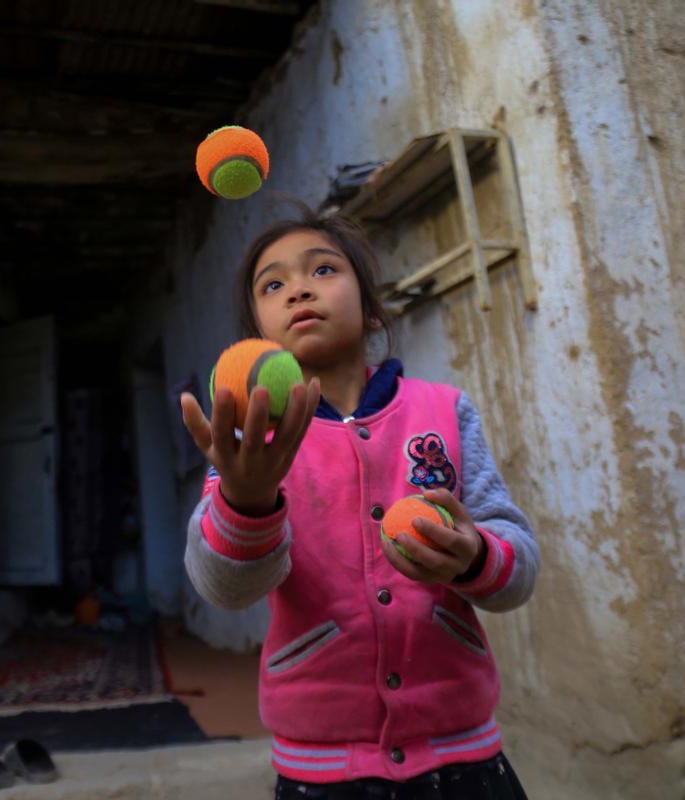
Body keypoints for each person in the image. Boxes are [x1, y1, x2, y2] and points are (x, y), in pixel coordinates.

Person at [179, 206, 540, 800]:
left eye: (323, 270)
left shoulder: (445, 409)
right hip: (321, 771)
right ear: (258, 335)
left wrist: (475, 555)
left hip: (467, 756)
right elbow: (225, 589)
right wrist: (245, 503)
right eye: (273, 284)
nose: (298, 288)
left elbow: (518, 564)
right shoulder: (245, 443)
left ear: (371, 310)